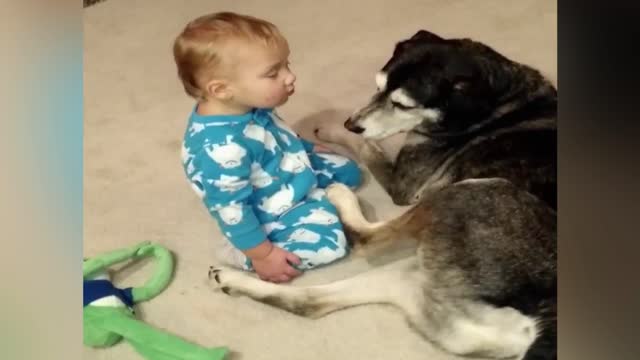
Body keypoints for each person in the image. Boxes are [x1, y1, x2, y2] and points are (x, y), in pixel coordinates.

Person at [173, 12, 362, 283]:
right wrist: (263, 254)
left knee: (350, 173)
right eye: (273, 73)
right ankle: (240, 252)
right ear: (221, 90)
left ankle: (311, 192)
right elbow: (232, 208)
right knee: (329, 246)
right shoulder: (219, 151)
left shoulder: (249, 106)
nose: (290, 76)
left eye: (287, 65)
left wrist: (305, 147)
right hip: (269, 207)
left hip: (283, 168)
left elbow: (274, 135)